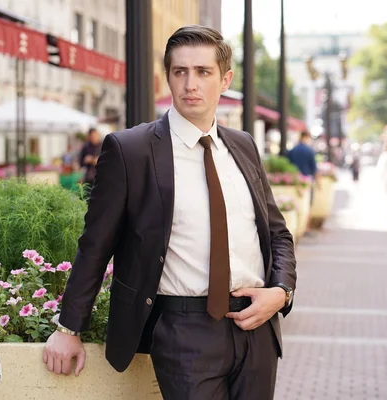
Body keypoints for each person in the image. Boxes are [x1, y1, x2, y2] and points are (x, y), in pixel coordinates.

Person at [42, 25, 297, 400]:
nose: (190, 83)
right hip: (184, 331)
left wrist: (282, 291)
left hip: (257, 329)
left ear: (224, 79)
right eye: (180, 72)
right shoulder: (131, 150)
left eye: (203, 72)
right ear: (169, 78)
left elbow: (277, 234)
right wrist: (68, 329)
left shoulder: (244, 147)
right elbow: (95, 244)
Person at [287, 130, 318, 233]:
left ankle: (297, 226)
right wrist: (318, 182)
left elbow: (288, 166)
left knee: (295, 204)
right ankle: (305, 228)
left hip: (294, 182)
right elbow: (314, 168)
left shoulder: (292, 150)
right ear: (307, 137)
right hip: (307, 182)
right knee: (307, 204)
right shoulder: (310, 151)